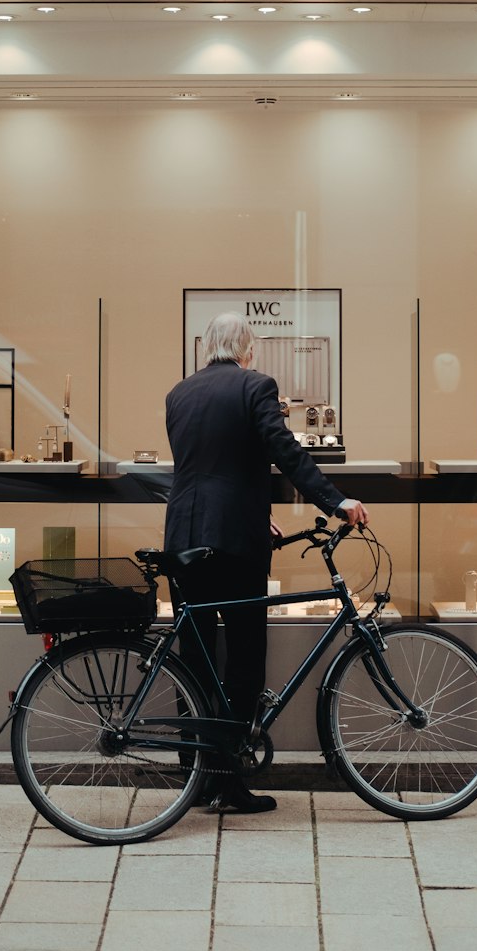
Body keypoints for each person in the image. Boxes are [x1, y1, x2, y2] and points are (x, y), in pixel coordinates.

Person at [164, 312, 368, 814]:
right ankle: (228, 783)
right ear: (247, 349)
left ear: (205, 348)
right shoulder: (256, 385)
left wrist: (255, 512)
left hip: (185, 538)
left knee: (196, 659)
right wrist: (334, 501)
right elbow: (285, 451)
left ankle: (195, 777)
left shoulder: (178, 394)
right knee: (244, 659)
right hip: (234, 543)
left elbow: (207, 467)